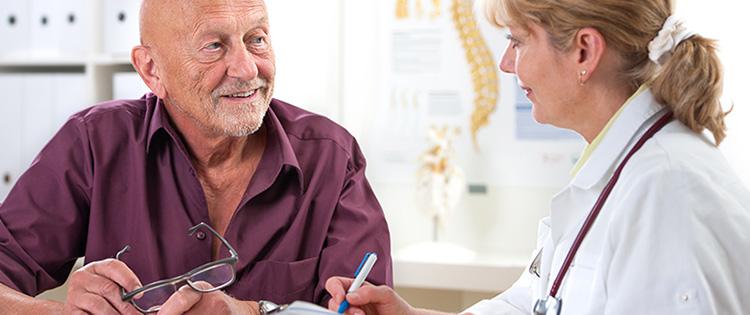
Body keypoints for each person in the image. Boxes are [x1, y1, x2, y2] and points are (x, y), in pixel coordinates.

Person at [326, 0, 750, 314]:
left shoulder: (667, 191)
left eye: (516, 41)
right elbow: (535, 305)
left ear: (584, 50)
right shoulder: (614, 169)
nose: (506, 63)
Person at [0, 0, 392, 314]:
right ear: (151, 69)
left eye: (256, 39)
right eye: (214, 46)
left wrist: (253, 312)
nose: (246, 68)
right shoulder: (94, 143)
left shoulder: (332, 158)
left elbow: (362, 306)